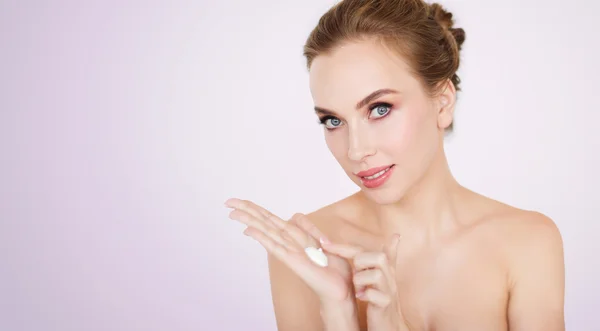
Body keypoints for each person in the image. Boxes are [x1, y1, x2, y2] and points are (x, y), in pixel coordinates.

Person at [225, 0, 565, 330]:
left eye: (379, 109)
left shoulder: (526, 242)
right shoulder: (307, 253)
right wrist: (339, 313)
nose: (356, 150)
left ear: (443, 102)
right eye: (332, 121)